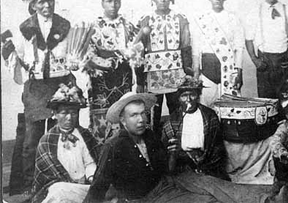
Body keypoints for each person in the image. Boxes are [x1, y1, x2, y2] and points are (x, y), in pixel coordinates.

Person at [2, 0, 77, 196]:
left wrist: (73, 62)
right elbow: (19, 61)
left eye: (50, 1)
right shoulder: (26, 28)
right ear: (34, 5)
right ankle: (29, 186)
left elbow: (71, 54)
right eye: (42, 2)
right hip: (36, 89)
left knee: (61, 133)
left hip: (60, 84)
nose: (47, 6)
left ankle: (59, 179)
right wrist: (13, 56)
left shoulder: (65, 25)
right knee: (32, 139)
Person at [85, 92, 216, 203]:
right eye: (134, 115)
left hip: (162, 191)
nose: (141, 119)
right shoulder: (113, 146)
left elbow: (166, 170)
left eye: (143, 113)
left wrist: (173, 155)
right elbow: (98, 187)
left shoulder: (150, 135)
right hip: (137, 200)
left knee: (210, 198)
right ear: (123, 120)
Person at [136, 0, 193, 128]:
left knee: (177, 111)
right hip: (153, 74)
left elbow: (185, 47)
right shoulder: (145, 20)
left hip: (176, 72)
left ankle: (179, 145)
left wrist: (188, 72)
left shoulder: (180, 19)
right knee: (153, 113)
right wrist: (140, 79)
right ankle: (154, 148)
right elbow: (139, 51)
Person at [84, 0, 138, 142]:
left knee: (123, 111)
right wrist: (103, 63)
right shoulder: (94, 27)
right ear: (102, 3)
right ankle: (102, 153)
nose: (113, 5)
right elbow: (87, 53)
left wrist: (131, 54)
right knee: (102, 114)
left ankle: (125, 151)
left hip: (122, 75)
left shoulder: (127, 25)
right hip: (101, 76)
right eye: (109, 1)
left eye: (116, 1)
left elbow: (136, 49)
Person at [31, 84, 100, 203]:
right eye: (64, 113)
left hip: (82, 188)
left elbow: (90, 162)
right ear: (55, 114)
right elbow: (47, 177)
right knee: (58, 192)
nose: (69, 118)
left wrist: (92, 177)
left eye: (73, 113)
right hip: (59, 187)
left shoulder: (85, 135)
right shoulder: (47, 141)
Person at [193, 0, 244, 105]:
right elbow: (196, 48)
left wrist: (239, 71)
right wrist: (196, 71)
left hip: (228, 68)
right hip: (207, 68)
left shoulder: (233, 18)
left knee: (229, 107)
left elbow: (239, 47)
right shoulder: (202, 19)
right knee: (207, 105)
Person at [161, 76, 228, 180]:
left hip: (209, 166)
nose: (188, 100)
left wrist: (203, 165)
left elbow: (217, 148)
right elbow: (166, 158)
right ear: (178, 99)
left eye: (192, 94)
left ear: (198, 96)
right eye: (184, 96)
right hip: (183, 168)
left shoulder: (210, 116)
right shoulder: (170, 122)